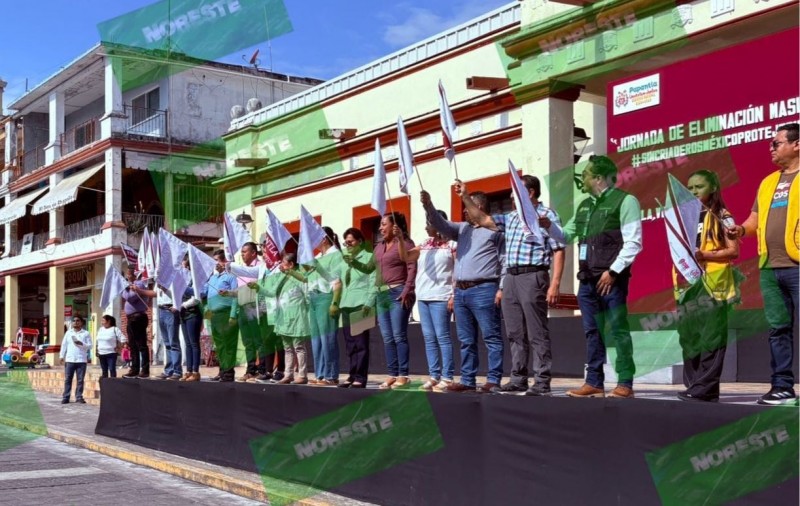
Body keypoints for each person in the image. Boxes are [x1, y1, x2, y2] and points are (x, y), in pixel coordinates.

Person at [459, 175, 566, 396]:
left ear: (530, 193)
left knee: (536, 331)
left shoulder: (546, 215)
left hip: (533, 275)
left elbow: (558, 249)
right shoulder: (511, 217)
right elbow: (482, 219)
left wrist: (555, 283)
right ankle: (518, 378)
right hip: (511, 277)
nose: (510, 195)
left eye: (515, 191)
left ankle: (542, 380)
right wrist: (466, 196)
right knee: (515, 331)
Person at [549, 155, 643, 398]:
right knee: (592, 332)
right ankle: (594, 382)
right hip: (587, 281)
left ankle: (625, 383)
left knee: (618, 331)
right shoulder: (584, 206)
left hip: (611, 281)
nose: (582, 179)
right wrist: (546, 225)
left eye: (586, 175)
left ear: (599, 178)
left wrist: (613, 272)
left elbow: (633, 242)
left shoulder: (626, 201)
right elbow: (565, 236)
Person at [728, 122, 799, 405]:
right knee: (778, 328)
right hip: (770, 268)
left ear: (796, 145)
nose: (771, 148)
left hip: (797, 266)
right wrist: (740, 230)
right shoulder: (768, 182)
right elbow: (754, 220)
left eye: (776, 143)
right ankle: (782, 387)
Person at [424, 189, 505, 393]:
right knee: (466, 339)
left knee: (491, 337)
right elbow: (440, 224)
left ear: (478, 207)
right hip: (461, 292)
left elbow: (504, 260)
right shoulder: (462, 229)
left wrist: (502, 287)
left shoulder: (494, 229)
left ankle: (493, 379)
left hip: (484, 288)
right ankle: (468, 380)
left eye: (467, 208)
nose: (464, 212)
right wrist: (428, 205)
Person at [673, 170, 739, 402]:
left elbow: (734, 250)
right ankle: (694, 386)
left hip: (713, 284)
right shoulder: (684, 217)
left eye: (699, 187)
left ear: (712, 188)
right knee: (689, 338)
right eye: (690, 188)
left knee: (711, 338)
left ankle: (705, 388)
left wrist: (705, 255)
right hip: (688, 285)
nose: (693, 192)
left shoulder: (722, 215)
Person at [397, 211, 456, 392]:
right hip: (423, 297)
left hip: (441, 296)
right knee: (429, 338)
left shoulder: (451, 244)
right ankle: (434, 376)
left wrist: (453, 295)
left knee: (442, 337)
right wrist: (400, 239)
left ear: (439, 223)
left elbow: (457, 269)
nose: (425, 226)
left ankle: (447, 377)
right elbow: (405, 257)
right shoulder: (424, 244)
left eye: (429, 223)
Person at [374, 213, 417, 390]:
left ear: (395, 226)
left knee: (399, 335)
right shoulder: (378, 247)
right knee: (387, 336)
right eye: (380, 224)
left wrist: (407, 290)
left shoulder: (406, 243)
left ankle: (403, 375)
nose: (380, 228)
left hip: (398, 292)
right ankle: (392, 374)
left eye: (384, 224)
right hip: (381, 295)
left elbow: (412, 267)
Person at [257, 252, 310, 384]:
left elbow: (307, 295)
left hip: (297, 315)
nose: (280, 265)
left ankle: (302, 375)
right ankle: (288, 374)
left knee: (299, 347)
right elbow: (271, 292)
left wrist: (307, 314)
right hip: (283, 316)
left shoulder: (300, 277)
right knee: (287, 348)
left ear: (291, 264)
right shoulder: (282, 277)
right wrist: (258, 288)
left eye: (283, 263)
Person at [337, 227, 377, 389]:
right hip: (346, 304)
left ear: (360, 241)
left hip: (361, 304)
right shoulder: (344, 260)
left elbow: (373, 281)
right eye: (345, 243)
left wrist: (369, 302)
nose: (348, 245)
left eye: (351, 242)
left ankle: (361, 377)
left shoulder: (369, 257)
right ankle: (352, 374)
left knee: (361, 343)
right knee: (350, 344)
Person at [306, 227, 343, 386]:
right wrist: (291, 272)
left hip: (326, 296)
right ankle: (320, 374)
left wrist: (334, 302)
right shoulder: (317, 257)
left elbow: (336, 279)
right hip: (313, 298)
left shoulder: (336, 255)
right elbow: (307, 277)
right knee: (316, 340)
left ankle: (331, 375)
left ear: (325, 239)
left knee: (327, 338)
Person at [231, 242, 267, 382]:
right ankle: (250, 370)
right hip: (242, 308)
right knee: (247, 342)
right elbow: (238, 291)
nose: (242, 255)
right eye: (241, 252)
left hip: (254, 307)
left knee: (258, 341)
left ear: (253, 253)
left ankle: (262, 370)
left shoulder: (260, 267)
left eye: (245, 252)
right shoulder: (241, 270)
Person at [201, 249, 239, 382]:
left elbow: (236, 295)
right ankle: (222, 370)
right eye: (214, 261)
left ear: (223, 261)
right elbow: (203, 294)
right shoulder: (212, 278)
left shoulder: (230, 277)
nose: (215, 264)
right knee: (219, 345)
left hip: (226, 313)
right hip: (214, 316)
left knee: (228, 344)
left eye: (217, 260)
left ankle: (229, 373)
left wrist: (233, 315)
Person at [138, 280, 183, 380]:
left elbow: (179, 293)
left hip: (170, 309)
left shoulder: (174, 278)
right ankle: (169, 370)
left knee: (173, 343)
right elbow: (155, 293)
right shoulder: (161, 279)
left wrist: (165, 288)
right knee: (167, 343)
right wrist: (139, 291)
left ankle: (177, 371)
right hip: (161, 310)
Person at [121, 268, 152, 379]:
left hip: (138, 317)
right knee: (133, 345)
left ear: (135, 274)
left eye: (129, 274)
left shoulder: (139, 284)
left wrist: (124, 289)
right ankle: (134, 369)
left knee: (141, 344)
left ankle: (145, 370)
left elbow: (129, 297)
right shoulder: (130, 286)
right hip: (131, 318)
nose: (128, 276)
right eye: (127, 274)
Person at [179, 257, 204, 382]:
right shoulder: (180, 279)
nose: (181, 268)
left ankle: (195, 371)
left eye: (183, 265)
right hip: (183, 314)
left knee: (194, 343)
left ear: (189, 267)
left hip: (193, 313)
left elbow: (196, 297)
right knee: (187, 343)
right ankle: (188, 371)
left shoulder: (195, 278)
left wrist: (182, 305)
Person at [59, 316, 92, 404]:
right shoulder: (68, 333)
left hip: (81, 360)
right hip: (70, 359)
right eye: (74, 321)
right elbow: (64, 345)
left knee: (80, 380)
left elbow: (90, 346)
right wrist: (61, 356)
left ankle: (79, 397)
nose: (75, 322)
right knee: (68, 379)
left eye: (78, 320)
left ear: (81, 322)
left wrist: (82, 344)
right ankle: (66, 397)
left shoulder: (86, 333)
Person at [96, 314, 124, 378]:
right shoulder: (100, 329)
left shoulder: (115, 329)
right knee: (104, 370)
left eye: (103, 320)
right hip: (101, 353)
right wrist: (97, 349)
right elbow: (98, 340)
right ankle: (105, 383)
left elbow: (123, 339)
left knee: (111, 369)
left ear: (108, 321)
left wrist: (119, 347)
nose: (102, 322)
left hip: (111, 353)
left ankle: (113, 382)